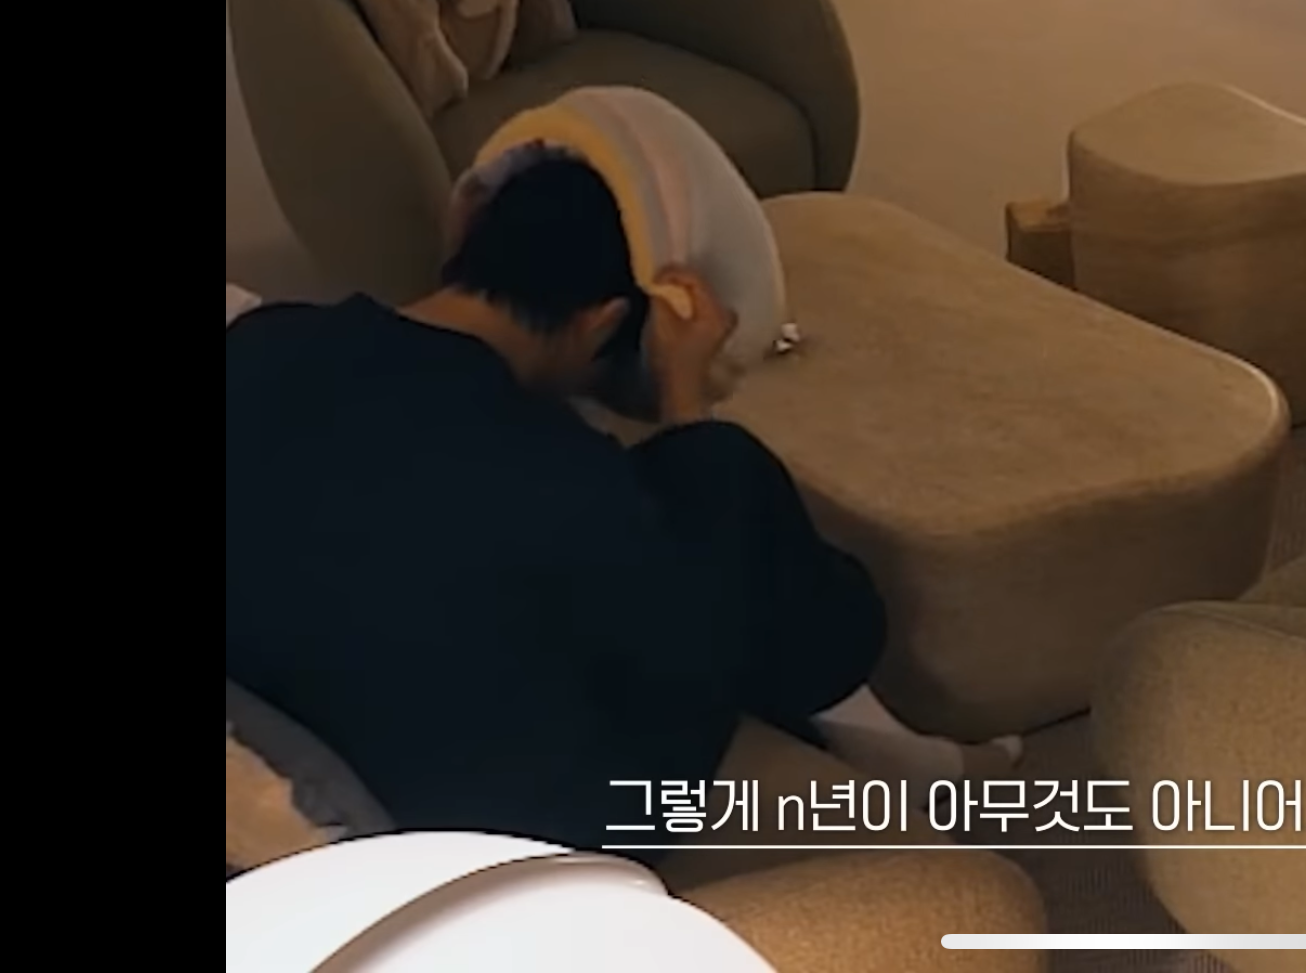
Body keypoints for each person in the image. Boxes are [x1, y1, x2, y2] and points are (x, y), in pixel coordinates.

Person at [226, 148, 1014, 857]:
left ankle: (885, 744)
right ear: (602, 320)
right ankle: (893, 749)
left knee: (678, 504)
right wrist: (687, 404)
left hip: (296, 700)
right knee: (729, 486)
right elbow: (692, 645)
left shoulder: (262, 339)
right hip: (525, 822)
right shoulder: (551, 471)